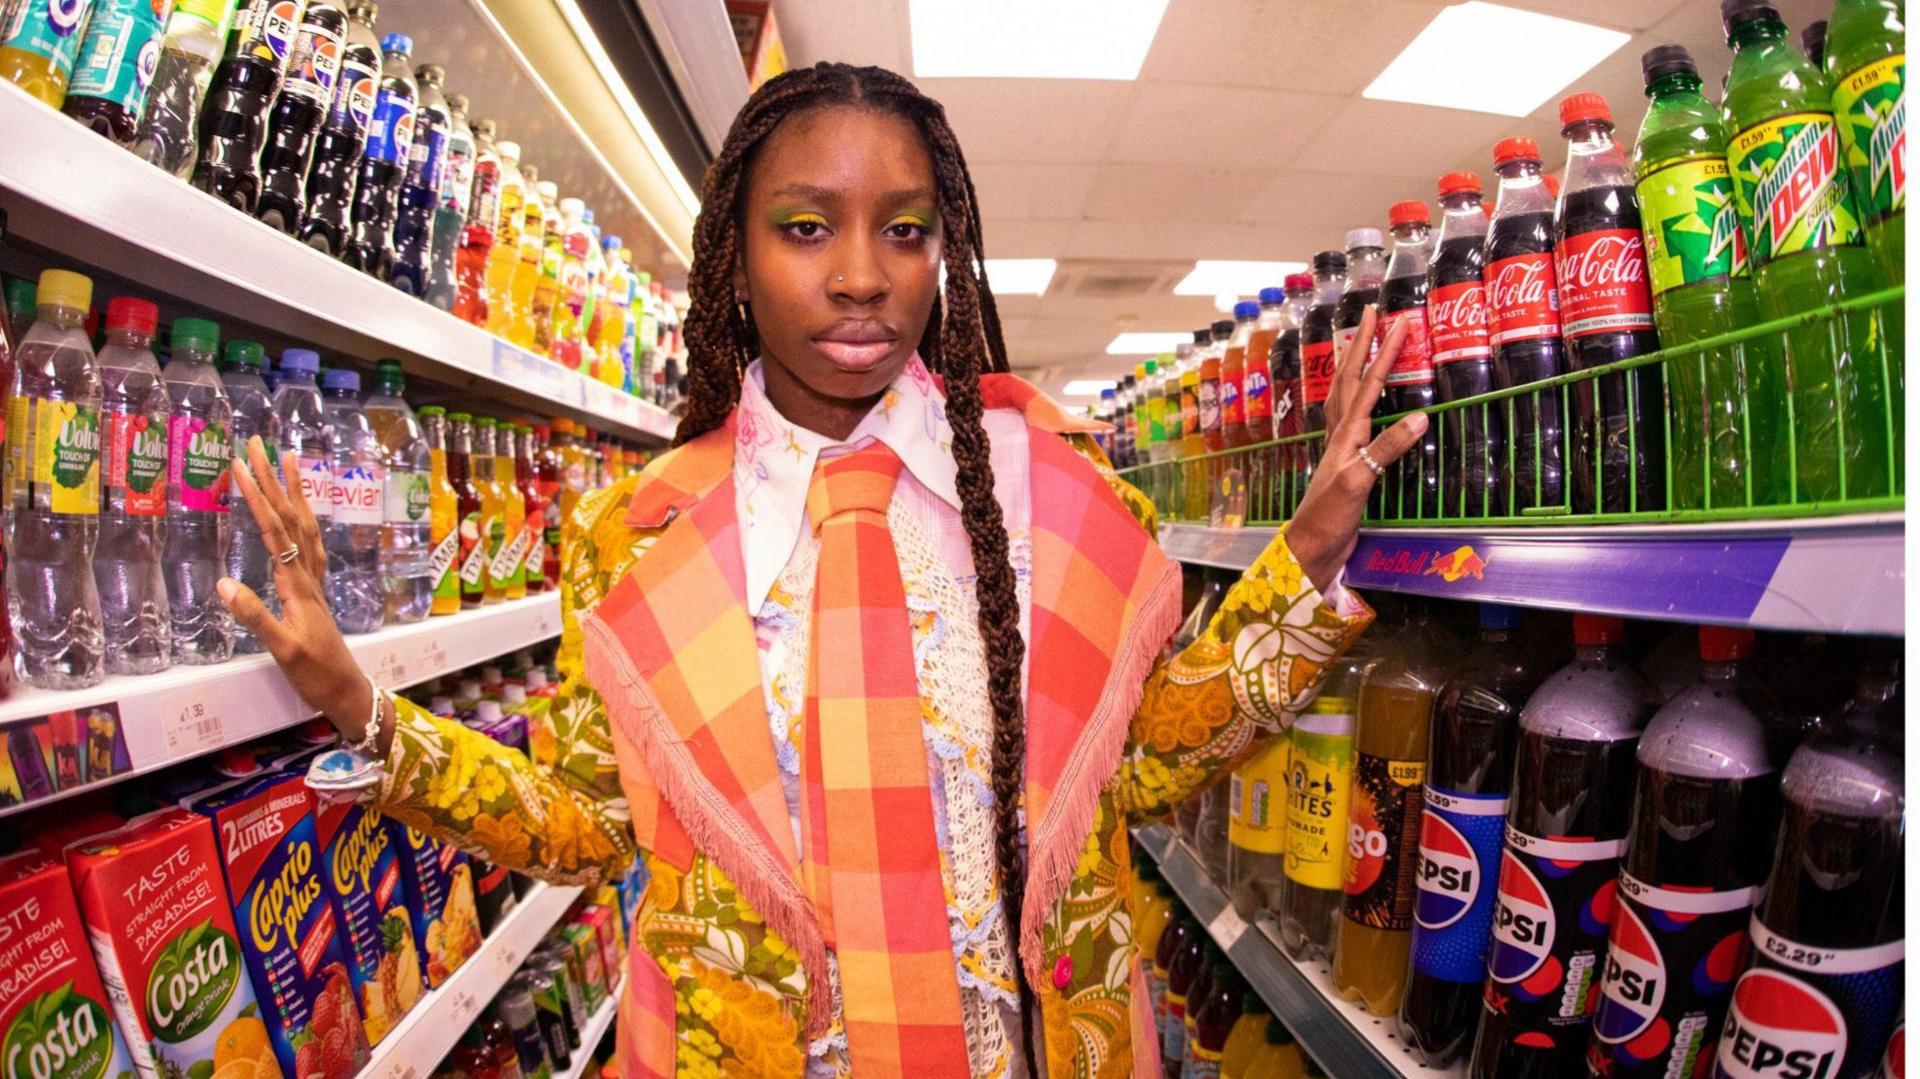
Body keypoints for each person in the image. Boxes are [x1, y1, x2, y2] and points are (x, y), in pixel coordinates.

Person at [218, 62, 1426, 1079]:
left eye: (906, 229)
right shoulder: (631, 539)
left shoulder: (1054, 491)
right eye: (807, 226)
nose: (863, 274)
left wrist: (1302, 556)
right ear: (734, 261)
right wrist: (362, 710)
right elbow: (587, 828)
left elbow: (1152, 758)